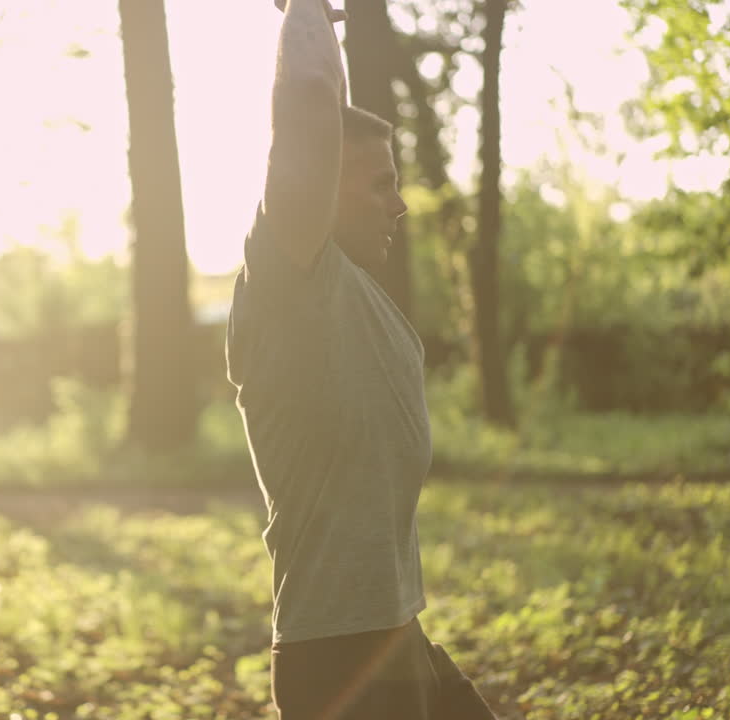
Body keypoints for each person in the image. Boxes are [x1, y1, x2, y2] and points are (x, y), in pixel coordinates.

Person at [224, 1, 499, 718]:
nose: (400, 205)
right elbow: (311, 108)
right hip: (339, 657)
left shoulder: (348, 295)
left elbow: (330, 107)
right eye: (381, 184)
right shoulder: (288, 283)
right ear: (319, 187)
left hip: (398, 634)